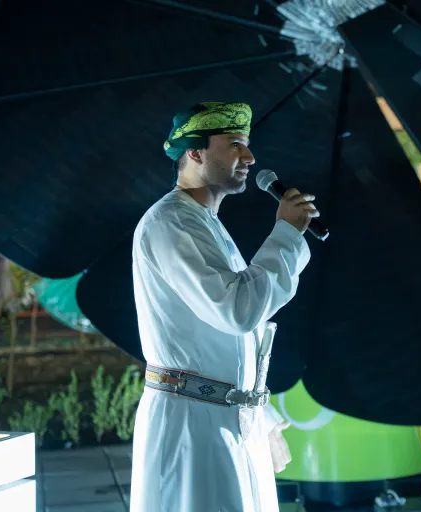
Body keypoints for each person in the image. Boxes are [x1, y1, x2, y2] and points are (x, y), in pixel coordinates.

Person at [129, 102, 319, 512]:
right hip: (191, 425)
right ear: (195, 153)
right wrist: (286, 233)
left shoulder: (205, 223)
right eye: (235, 145)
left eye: (248, 146)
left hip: (226, 420)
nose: (250, 158)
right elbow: (237, 311)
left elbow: (231, 339)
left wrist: (262, 421)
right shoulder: (172, 223)